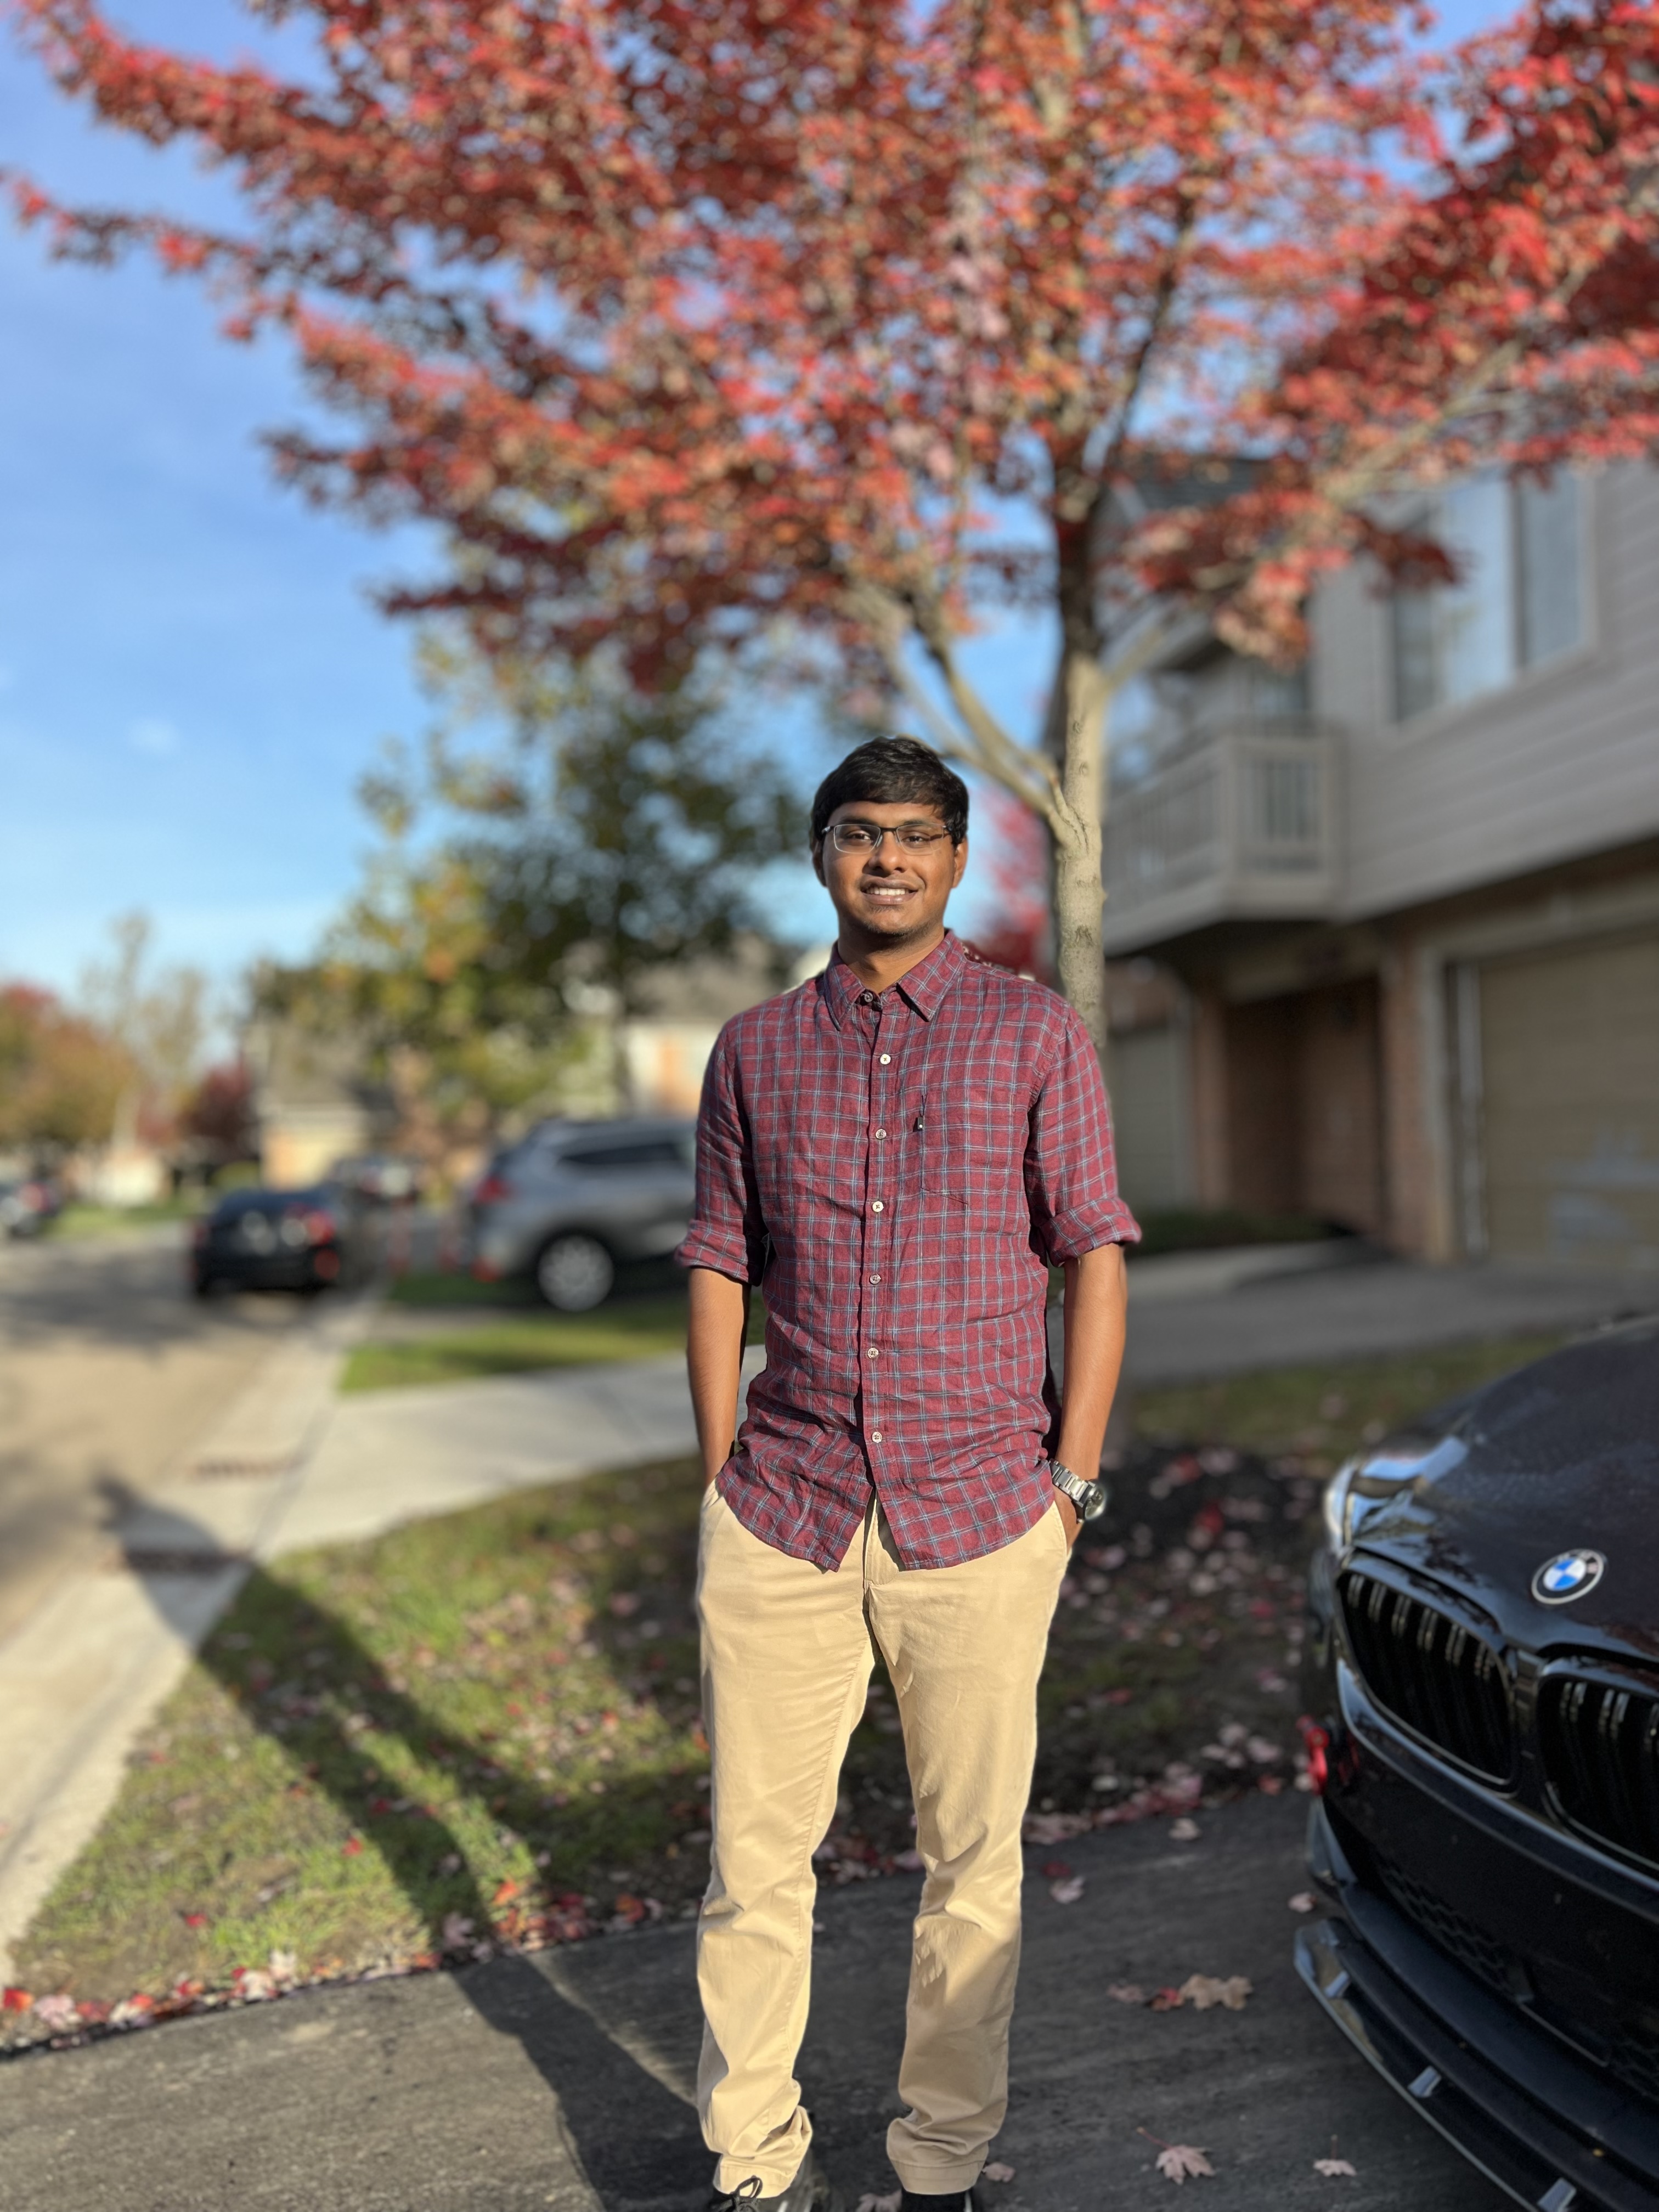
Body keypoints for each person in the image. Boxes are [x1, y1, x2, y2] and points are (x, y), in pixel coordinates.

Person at [678, 735, 1137, 2212]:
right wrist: (717, 1478)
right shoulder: (753, 1050)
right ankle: (753, 2163)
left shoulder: (1034, 1033)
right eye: (861, 832)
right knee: (755, 1867)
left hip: (985, 1514)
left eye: (919, 834)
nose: (889, 857)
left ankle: (942, 2162)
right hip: (786, 1512)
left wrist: (1072, 1486)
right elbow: (718, 1263)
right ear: (823, 855)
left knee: (972, 1868)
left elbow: (1094, 1254)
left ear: (953, 859)